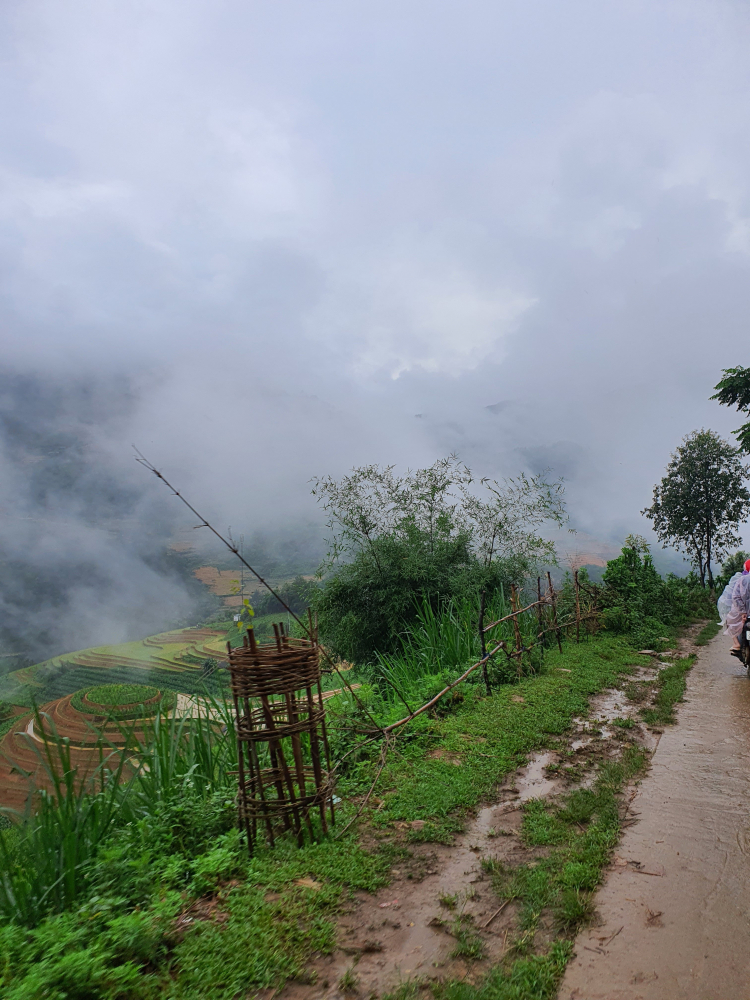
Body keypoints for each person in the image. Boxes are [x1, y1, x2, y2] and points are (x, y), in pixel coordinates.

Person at [723, 559, 750, 657]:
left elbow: (735, 597)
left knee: (728, 621)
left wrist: (742, 612)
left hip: (743, 614)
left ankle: (736, 644)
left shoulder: (742, 580)